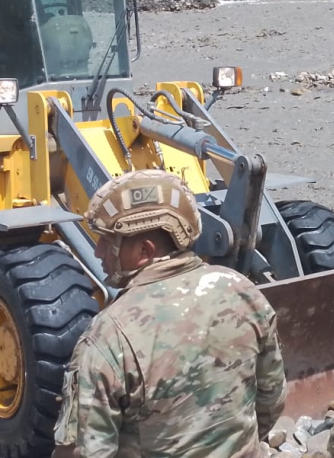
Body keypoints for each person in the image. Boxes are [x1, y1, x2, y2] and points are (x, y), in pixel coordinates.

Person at [53, 170, 286, 458]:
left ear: (144, 250)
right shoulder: (242, 290)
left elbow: (86, 451)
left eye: (108, 241)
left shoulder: (108, 335)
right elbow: (271, 399)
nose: (99, 252)